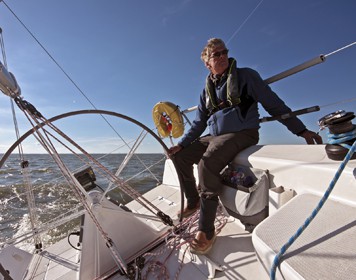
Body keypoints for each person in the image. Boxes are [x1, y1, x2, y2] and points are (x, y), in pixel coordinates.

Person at [168, 38, 322, 255]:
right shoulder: (206, 91)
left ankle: (206, 229)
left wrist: (301, 130)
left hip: (243, 133)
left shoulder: (246, 76)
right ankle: (193, 201)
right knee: (179, 158)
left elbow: (274, 104)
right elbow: (198, 123)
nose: (223, 57)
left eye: (224, 53)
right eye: (216, 55)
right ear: (207, 63)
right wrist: (182, 145)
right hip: (215, 136)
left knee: (207, 163)